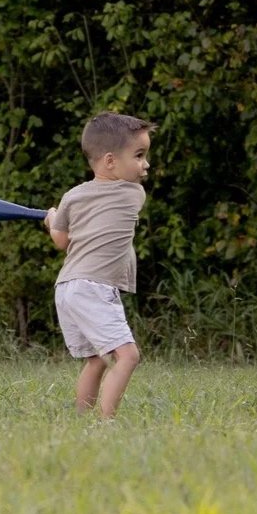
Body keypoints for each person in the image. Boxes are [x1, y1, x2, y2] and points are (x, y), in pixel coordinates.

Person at [45, 110, 153, 419]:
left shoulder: (73, 197)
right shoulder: (133, 193)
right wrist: (55, 220)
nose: (145, 165)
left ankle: (81, 420)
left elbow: (62, 241)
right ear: (109, 161)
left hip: (67, 287)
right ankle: (106, 423)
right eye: (139, 155)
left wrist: (52, 219)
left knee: (96, 360)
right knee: (128, 356)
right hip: (94, 286)